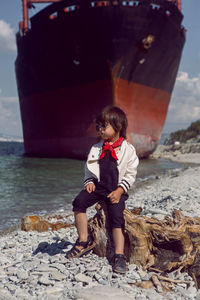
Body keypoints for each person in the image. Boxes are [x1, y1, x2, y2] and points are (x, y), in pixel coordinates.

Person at [66, 105, 139, 274]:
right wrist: (89, 181)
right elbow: (89, 168)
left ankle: (119, 255)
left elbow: (130, 173)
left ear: (118, 126)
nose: (99, 129)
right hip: (99, 187)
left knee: (116, 217)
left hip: (116, 189)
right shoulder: (96, 148)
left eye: (103, 126)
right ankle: (83, 240)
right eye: (98, 126)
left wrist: (120, 191)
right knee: (79, 202)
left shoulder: (129, 150)